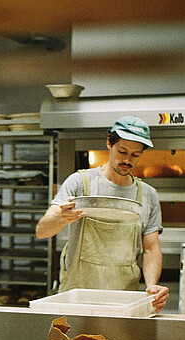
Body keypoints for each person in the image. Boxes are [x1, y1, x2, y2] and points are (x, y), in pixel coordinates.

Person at [36, 116, 169, 312]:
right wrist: (60, 217)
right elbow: (42, 231)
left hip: (124, 300)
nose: (127, 160)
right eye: (122, 151)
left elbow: (150, 248)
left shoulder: (147, 195)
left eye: (135, 155)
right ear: (109, 143)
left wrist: (151, 286)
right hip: (77, 297)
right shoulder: (80, 183)